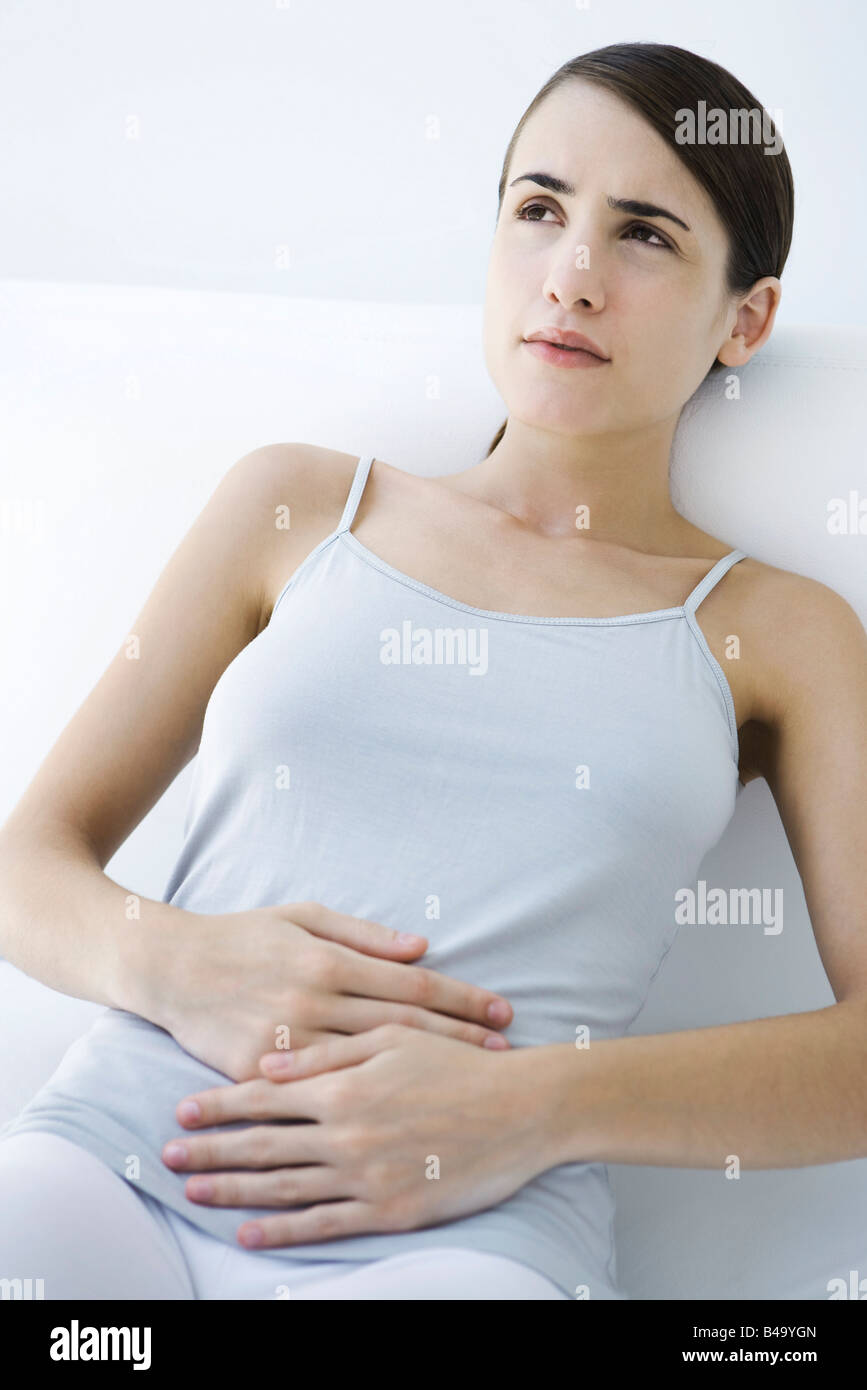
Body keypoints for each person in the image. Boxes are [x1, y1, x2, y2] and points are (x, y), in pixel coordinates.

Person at [2, 41, 865, 1303]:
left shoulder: (778, 630)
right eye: (539, 209)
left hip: (470, 1237)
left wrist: (531, 1106)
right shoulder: (299, 504)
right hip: (122, 1157)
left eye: (644, 235)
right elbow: (27, 861)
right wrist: (173, 960)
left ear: (747, 318)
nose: (571, 276)